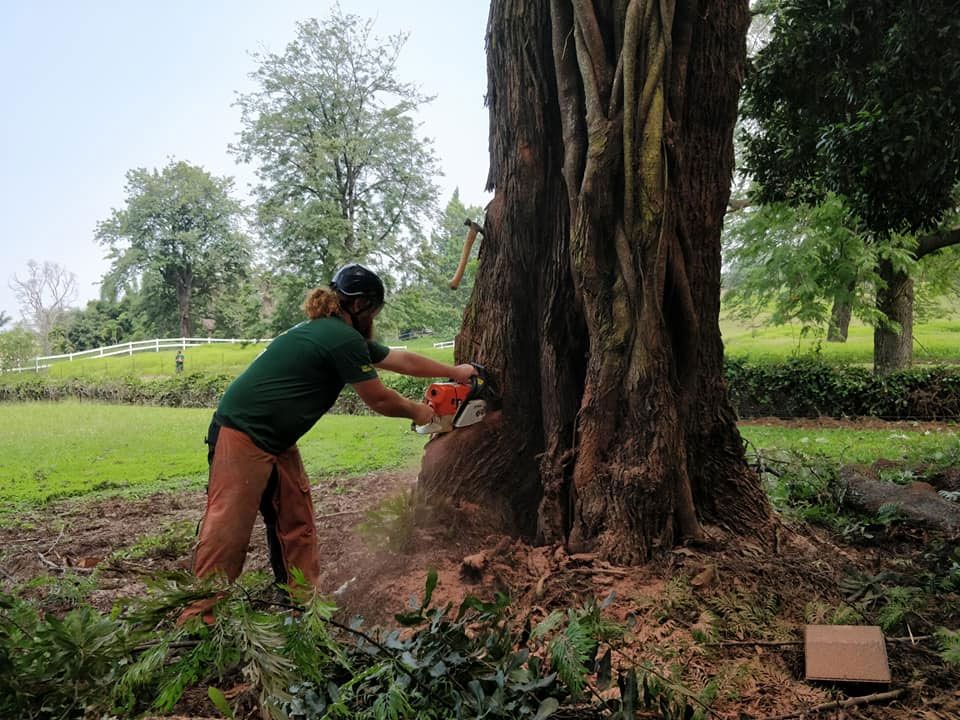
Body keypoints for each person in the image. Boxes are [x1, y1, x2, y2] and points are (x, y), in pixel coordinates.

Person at [191, 263, 476, 589]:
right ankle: (202, 616)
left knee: (295, 522)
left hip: (277, 439)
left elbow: (401, 360)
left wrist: (455, 373)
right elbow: (379, 399)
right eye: (375, 311)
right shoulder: (340, 338)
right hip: (243, 432)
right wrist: (421, 413)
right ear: (360, 305)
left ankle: (302, 607)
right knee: (228, 529)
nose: (374, 319)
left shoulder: (336, 335)